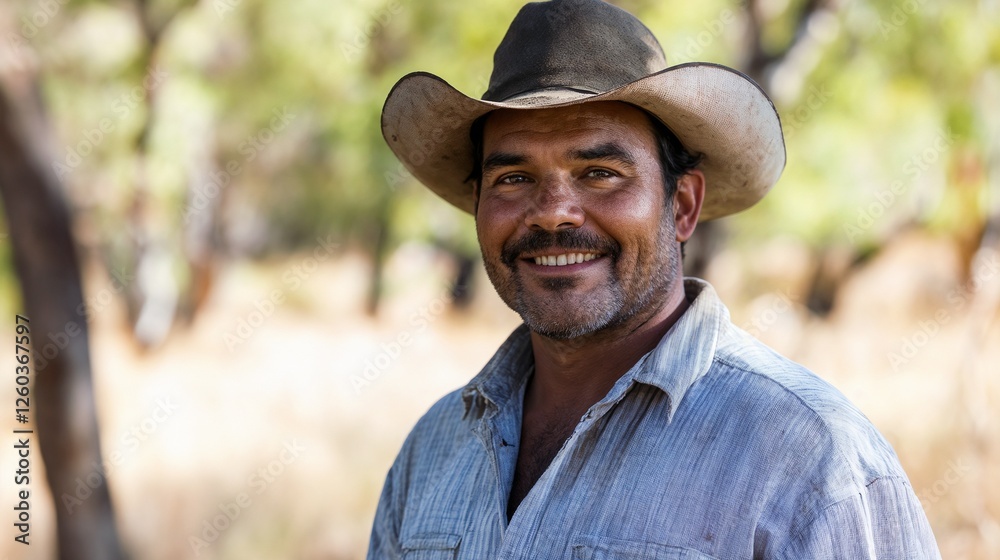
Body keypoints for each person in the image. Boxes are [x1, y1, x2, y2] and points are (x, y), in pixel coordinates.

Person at [369, 0, 942, 558]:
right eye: (514, 178)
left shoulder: (810, 459)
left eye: (600, 172)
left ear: (682, 205)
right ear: (478, 205)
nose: (553, 212)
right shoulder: (433, 450)